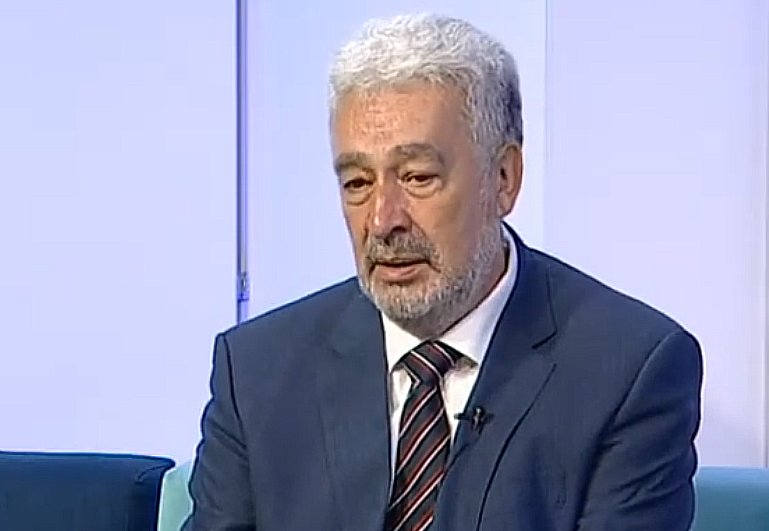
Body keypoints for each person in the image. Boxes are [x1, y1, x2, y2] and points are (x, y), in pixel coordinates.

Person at [185, 13, 702, 531]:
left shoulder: (629, 371)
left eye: (417, 177)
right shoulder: (257, 372)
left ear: (503, 178)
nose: (383, 221)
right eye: (358, 183)